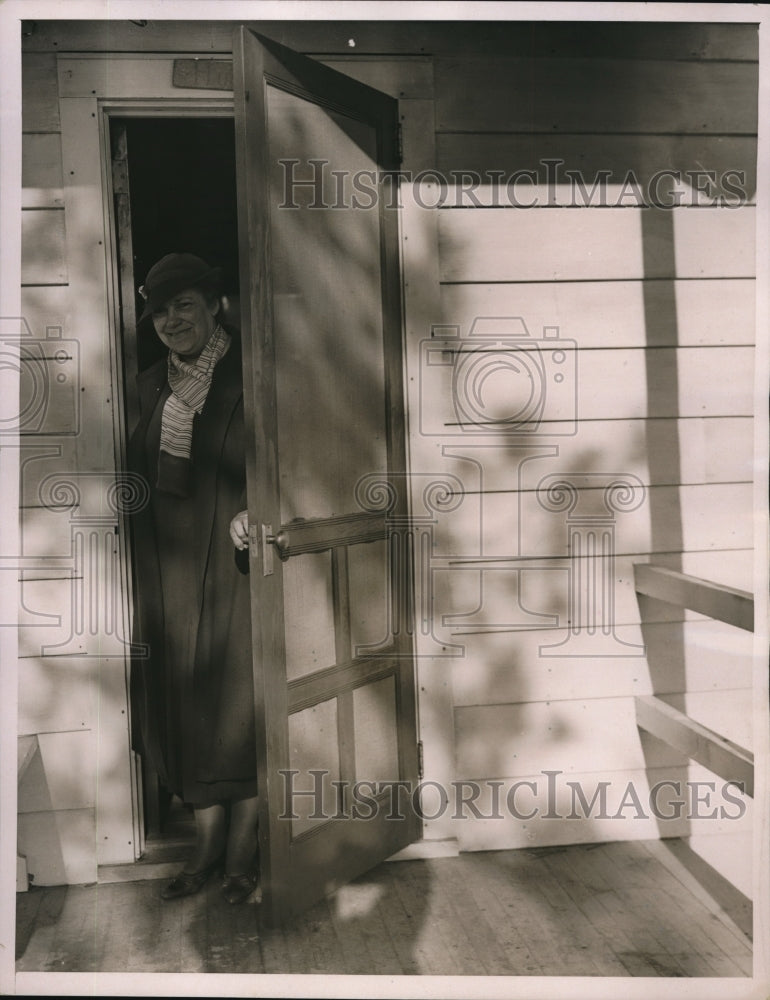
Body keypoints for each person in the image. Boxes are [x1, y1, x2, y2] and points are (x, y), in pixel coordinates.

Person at [127, 253, 257, 904]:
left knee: (237, 704)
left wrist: (261, 510)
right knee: (184, 701)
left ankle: (242, 855)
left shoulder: (252, 375)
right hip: (171, 568)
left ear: (215, 307)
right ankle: (206, 847)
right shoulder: (149, 387)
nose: (172, 320)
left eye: (185, 306)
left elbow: (294, 457)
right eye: (160, 310)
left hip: (238, 566)